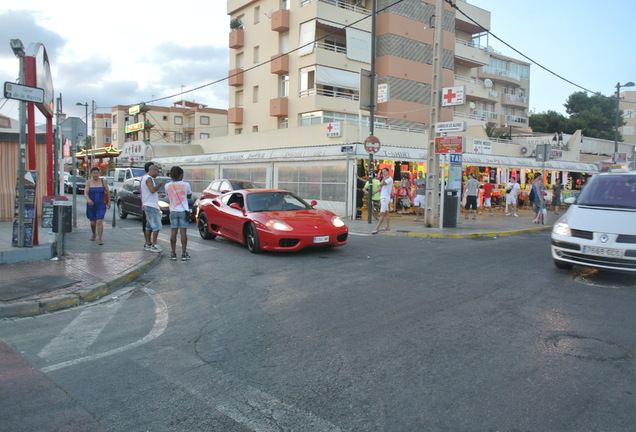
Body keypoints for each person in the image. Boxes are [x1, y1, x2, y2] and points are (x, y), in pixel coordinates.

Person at [165, 166, 192, 261]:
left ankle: (173, 254)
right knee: (183, 232)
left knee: (173, 232)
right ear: (181, 175)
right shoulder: (186, 185)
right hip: (183, 211)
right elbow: (189, 196)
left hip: (173, 211)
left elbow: (168, 195)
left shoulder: (167, 185)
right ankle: (184, 254)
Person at [84, 167, 111, 245]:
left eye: (97, 173)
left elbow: (107, 192)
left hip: (101, 203)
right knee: (93, 222)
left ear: (99, 173)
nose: (96, 175)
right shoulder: (88, 182)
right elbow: (85, 193)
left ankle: (100, 238)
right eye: (94, 173)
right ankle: (94, 234)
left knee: (99, 221)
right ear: (91, 174)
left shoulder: (103, 181)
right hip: (91, 204)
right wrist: (88, 199)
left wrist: (109, 202)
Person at [141, 164, 164, 253]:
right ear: (153, 170)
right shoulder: (149, 179)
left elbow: (149, 192)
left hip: (147, 204)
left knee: (149, 225)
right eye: (157, 172)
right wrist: (159, 185)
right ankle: (154, 244)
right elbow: (152, 190)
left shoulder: (144, 178)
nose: (157, 174)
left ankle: (147, 243)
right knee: (156, 225)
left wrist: (157, 195)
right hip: (151, 205)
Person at [372, 168, 393, 234]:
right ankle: (387, 226)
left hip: (385, 198)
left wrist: (384, 178)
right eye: (382, 172)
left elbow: (381, 184)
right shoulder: (386, 179)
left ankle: (377, 228)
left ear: (388, 172)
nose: (383, 173)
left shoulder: (389, 179)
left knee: (382, 213)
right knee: (386, 213)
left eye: (384, 172)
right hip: (383, 197)